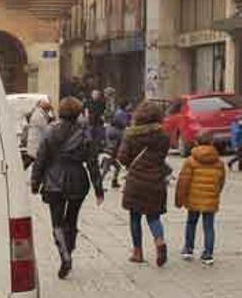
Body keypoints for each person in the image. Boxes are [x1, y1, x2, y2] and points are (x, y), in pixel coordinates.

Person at [31, 97, 105, 280]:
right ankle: (69, 249)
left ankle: (64, 254)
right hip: (78, 179)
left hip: (54, 180)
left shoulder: (50, 131)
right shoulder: (84, 133)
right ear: (79, 113)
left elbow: (41, 158)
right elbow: (93, 162)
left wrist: (35, 182)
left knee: (56, 221)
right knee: (72, 219)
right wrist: (98, 188)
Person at [118, 101, 172, 267]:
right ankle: (159, 241)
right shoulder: (163, 135)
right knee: (153, 216)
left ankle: (138, 252)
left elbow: (122, 157)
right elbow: (162, 156)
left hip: (136, 181)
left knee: (135, 217)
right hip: (156, 180)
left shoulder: (130, 135)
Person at [175, 133, 226, 265]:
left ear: (196, 143)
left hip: (193, 199)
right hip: (210, 199)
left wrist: (179, 199)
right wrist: (215, 193)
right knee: (209, 226)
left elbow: (183, 181)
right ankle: (208, 254)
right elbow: (221, 181)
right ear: (212, 143)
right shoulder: (219, 162)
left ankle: (188, 249)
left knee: (191, 223)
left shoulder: (190, 161)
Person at [24, 98, 52, 169]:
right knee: (33, 160)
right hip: (36, 144)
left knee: (31, 159)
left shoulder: (39, 113)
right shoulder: (39, 115)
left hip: (33, 143)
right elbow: (46, 129)